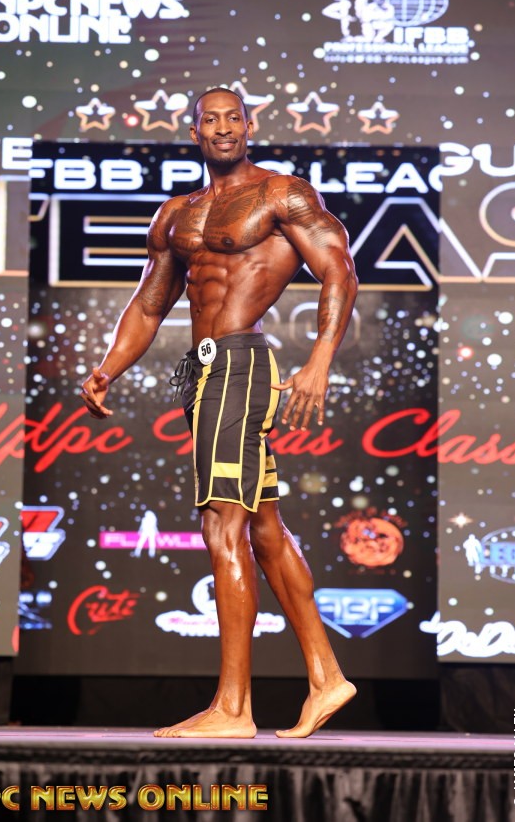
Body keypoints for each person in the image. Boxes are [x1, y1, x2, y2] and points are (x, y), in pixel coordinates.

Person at [80, 87, 359, 739]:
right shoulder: (177, 214)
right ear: (195, 131)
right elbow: (150, 305)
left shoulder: (281, 194)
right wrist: (108, 368)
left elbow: (339, 271)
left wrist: (319, 359)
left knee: (221, 527)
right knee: (263, 529)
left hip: (239, 365)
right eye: (212, 120)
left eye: (234, 118)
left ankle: (233, 709)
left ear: (250, 126)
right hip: (202, 373)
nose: (224, 128)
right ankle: (327, 678)